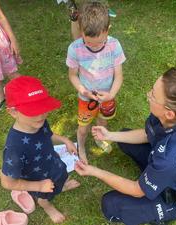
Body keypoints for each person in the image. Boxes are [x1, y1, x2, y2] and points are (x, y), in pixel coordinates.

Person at [75, 67, 176, 225]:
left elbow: (137, 191)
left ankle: (159, 215)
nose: (148, 95)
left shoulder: (171, 158)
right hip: (165, 167)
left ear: (170, 113)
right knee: (123, 138)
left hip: (173, 198)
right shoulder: (171, 117)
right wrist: (109, 135)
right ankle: (152, 179)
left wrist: (95, 171)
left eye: (153, 95)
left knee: (110, 205)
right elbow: (147, 134)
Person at [0, 76, 80, 224]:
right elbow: (7, 182)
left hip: (53, 164)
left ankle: (61, 186)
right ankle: (46, 206)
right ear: (13, 112)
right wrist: (38, 186)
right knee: (45, 195)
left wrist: (64, 140)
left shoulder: (39, 121)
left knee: (61, 177)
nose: (41, 114)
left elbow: (47, 135)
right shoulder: (15, 148)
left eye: (43, 108)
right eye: (33, 110)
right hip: (38, 178)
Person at [66, 1, 126, 163]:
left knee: (102, 121)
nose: (93, 47)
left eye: (98, 42)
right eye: (88, 42)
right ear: (81, 31)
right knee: (83, 128)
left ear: (107, 30)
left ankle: (100, 138)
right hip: (86, 99)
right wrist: (82, 90)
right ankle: (81, 146)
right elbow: (72, 75)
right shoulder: (75, 48)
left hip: (107, 97)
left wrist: (111, 95)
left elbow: (119, 76)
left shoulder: (114, 45)